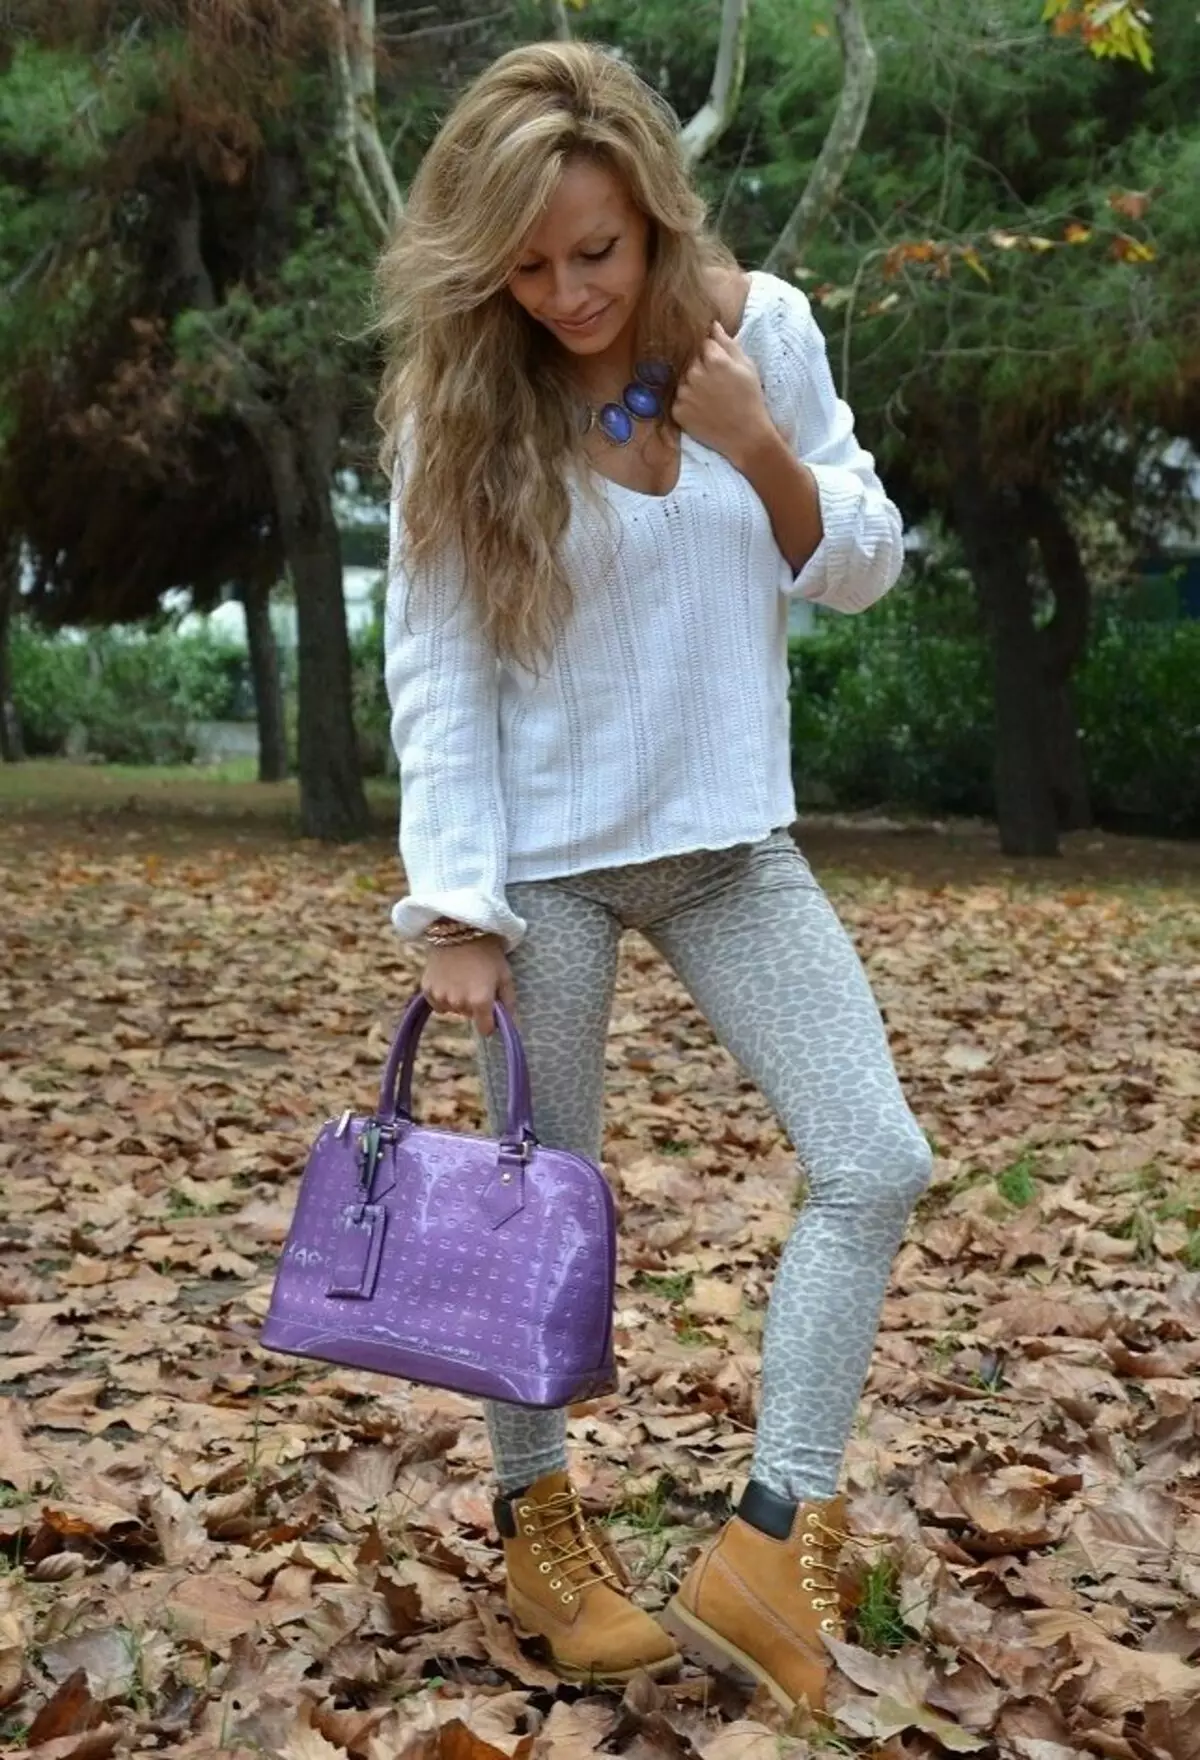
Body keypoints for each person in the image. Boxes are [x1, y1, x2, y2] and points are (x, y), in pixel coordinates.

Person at [375, 38, 932, 1716]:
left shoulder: (757, 329)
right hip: (542, 875)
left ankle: (769, 1539)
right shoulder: (461, 398)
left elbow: (863, 566)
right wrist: (456, 904)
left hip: (731, 848)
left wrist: (761, 449)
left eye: (594, 253)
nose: (563, 292)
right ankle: (541, 1526)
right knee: (538, 1215)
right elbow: (436, 659)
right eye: (526, 262)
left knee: (875, 1158)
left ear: (653, 212)